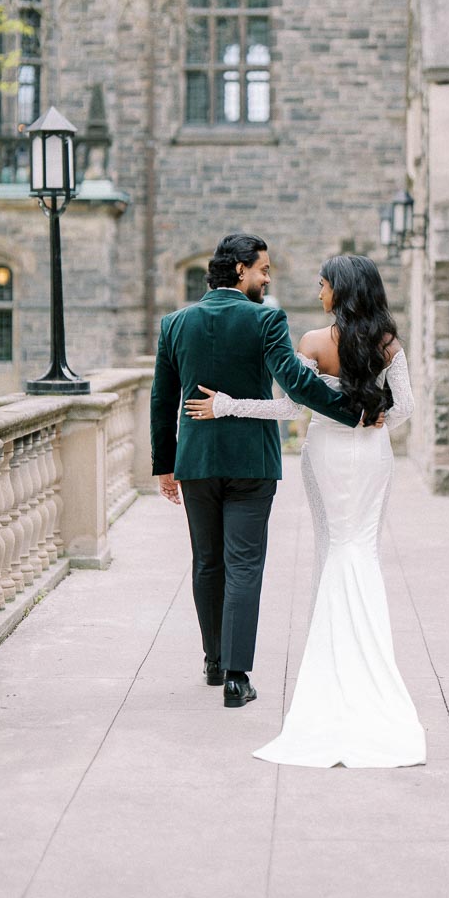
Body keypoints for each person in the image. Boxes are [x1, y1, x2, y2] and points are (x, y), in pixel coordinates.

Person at [185, 253, 426, 768]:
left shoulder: (315, 342)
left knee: (332, 545)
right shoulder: (389, 343)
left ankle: (331, 655)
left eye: (322, 285)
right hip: (371, 455)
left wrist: (229, 404)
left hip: (326, 455)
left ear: (340, 290)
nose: (318, 293)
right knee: (363, 548)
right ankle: (368, 654)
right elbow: (405, 408)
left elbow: (292, 407)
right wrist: (376, 418)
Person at [151, 233, 361, 708]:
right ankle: (236, 677)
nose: (268, 278)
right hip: (251, 462)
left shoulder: (174, 324)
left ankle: (213, 659)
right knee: (243, 564)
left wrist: (165, 464)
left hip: (197, 461)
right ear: (241, 269)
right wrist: (353, 411)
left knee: (207, 561)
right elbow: (295, 382)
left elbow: (162, 401)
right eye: (264, 269)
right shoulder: (266, 319)